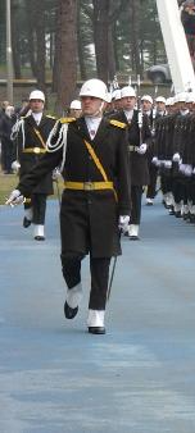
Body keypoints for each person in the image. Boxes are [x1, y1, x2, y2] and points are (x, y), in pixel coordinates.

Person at [5, 78, 131, 335]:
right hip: (73, 200)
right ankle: (73, 287)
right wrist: (22, 188)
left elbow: (124, 174)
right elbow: (46, 162)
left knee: (101, 259)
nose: (86, 102)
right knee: (70, 255)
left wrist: (126, 210)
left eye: (92, 99)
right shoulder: (66, 128)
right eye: (84, 98)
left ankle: (97, 315)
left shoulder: (117, 130)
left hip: (105, 202)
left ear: (103, 103)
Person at [11, 90, 57, 240]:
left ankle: (39, 229)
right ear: (30, 104)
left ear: (43, 104)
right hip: (28, 161)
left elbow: (55, 145)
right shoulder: (23, 122)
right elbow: (20, 144)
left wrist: (56, 166)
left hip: (45, 161)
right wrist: (17, 161)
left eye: (39, 101)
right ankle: (28, 211)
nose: (36, 104)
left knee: (42, 196)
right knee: (28, 193)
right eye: (34, 101)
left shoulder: (52, 122)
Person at [113, 86, 151, 240]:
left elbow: (149, 137)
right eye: (125, 98)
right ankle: (123, 221)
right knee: (121, 191)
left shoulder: (142, 117)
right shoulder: (114, 118)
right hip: (120, 159)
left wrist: (146, 145)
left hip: (136, 159)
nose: (128, 101)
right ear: (121, 101)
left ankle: (134, 226)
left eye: (131, 98)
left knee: (135, 193)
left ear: (135, 100)